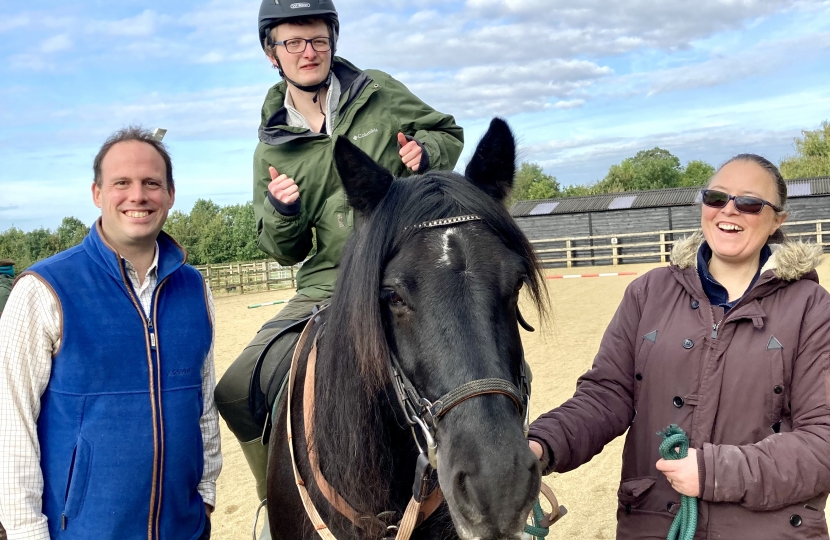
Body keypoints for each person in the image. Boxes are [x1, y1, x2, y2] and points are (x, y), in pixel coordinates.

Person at [213, 0, 464, 508]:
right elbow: (285, 251)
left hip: (404, 265)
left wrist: (426, 153)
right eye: (294, 42)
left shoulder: (379, 92)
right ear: (272, 53)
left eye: (319, 40)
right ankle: (274, 502)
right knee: (235, 390)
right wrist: (284, 212)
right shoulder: (271, 148)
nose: (309, 52)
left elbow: (448, 132)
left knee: (478, 354)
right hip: (326, 281)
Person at [528, 154, 830, 539]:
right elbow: (607, 395)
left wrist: (714, 472)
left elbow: (823, 440)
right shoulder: (648, 292)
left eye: (750, 202)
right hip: (654, 522)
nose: (729, 210)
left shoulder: (812, 309)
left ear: (778, 220)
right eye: (717, 197)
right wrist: (541, 444)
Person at [0, 127, 222, 540]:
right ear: (97, 193)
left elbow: (203, 404)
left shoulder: (195, 289)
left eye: (151, 183)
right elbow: (11, 425)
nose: (138, 196)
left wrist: (205, 494)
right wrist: (26, 532)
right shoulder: (44, 290)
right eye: (122, 183)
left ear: (170, 195)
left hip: (185, 530)